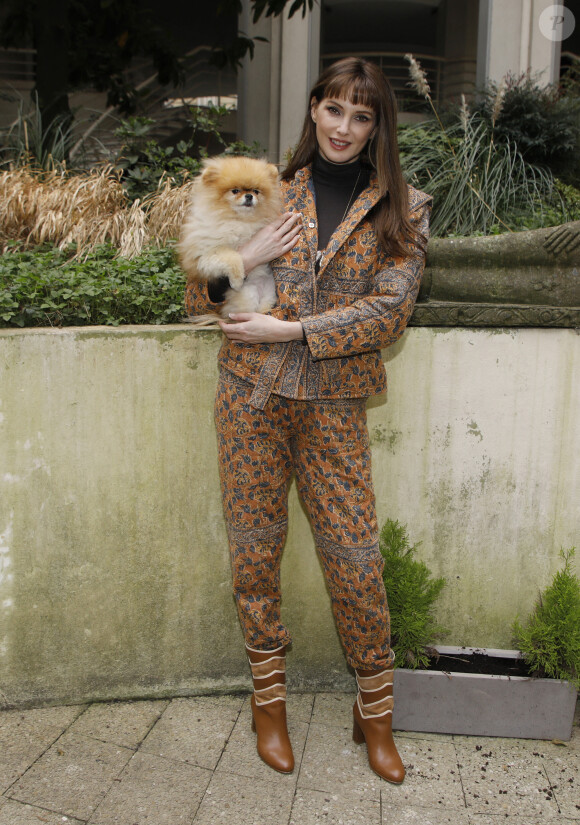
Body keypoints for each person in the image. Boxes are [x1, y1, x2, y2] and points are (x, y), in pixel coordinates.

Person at [185, 57, 431, 783]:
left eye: (362, 115)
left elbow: (390, 312)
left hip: (331, 408)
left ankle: (376, 713)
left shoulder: (404, 207)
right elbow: (200, 293)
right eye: (333, 109)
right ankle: (269, 706)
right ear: (314, 108)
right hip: (251, 402)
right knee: (254, 556)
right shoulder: (268, 189)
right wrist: (243, 254)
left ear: (377, 125)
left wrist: (290, 332)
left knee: (356, 560)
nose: (344, 128)